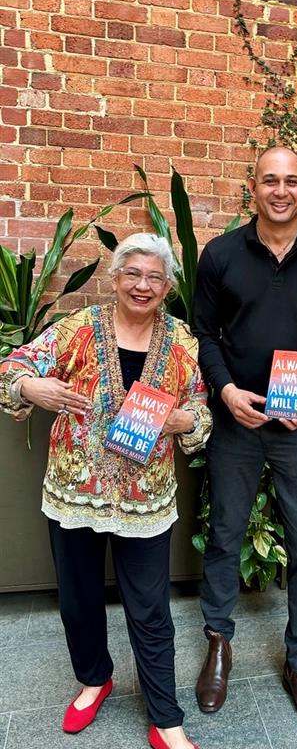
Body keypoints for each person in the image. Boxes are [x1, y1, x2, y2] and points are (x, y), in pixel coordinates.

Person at [0, 233, 212, 749]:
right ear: (114, 278)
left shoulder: (183, 341)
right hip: (74, 491)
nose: (143, 285)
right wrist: (34, 387)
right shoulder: (76, 329)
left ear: (167, 286)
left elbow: (202, 413)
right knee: (78, 599)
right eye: (133, 274)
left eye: (154, 277)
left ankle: (166, 717)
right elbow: (11, 366)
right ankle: (95, 678)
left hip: (145, 499)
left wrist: (184, 420)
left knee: (150, 609)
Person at [192, 146, 297, 733]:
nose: (280, 191)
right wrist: (227, 390)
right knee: (225, 535)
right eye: (270, 181)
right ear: (253, 187)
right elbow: (203, 332)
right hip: (238, 423)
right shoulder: (221, 254)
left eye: (291, 181)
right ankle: (218, 642)